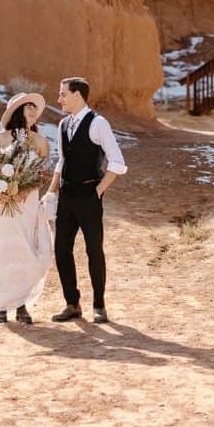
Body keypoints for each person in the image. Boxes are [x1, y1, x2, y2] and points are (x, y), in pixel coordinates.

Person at [43, 77, 126, 324]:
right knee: (61, 250)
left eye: (63, 94)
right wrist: (51, 191)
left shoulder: (98, 123)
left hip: (89, 196)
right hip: (67, 197)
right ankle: (72, 304)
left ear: (77, 95)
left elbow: (117, 162)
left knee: (93, 250)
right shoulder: (63, 124)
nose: (59, 99)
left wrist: (98, 190)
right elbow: (62, 161)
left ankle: (99, 306)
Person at [0, 92, 51, 325]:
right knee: (4, 249)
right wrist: (1, 192)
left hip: (28, 201)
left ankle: (22, 304)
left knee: (26, 248)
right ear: (17, 111)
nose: (34, 112)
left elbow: (44, 172)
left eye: (35, 108)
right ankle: (2, 305)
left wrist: (26, 189)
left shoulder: (40, 141)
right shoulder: (1, 138)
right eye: (28, 107)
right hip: (3, 201)